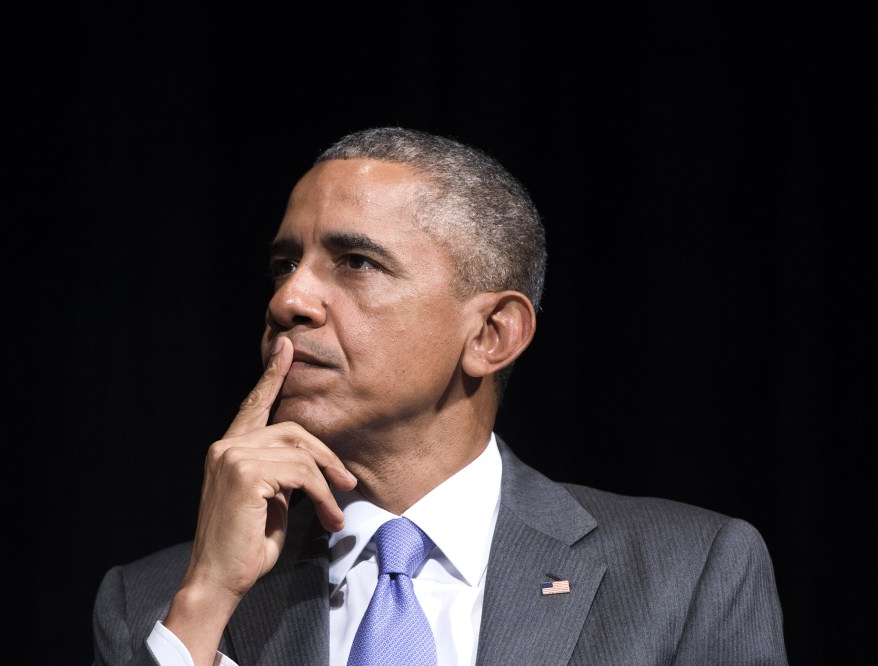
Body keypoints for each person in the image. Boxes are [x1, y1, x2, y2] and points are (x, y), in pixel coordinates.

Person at [91, 126, 788, 666]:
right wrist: (208, 600)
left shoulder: (685, 572)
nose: (290, 298)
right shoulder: (155, 605)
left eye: (356, 262)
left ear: (491, 334)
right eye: (284, 265)